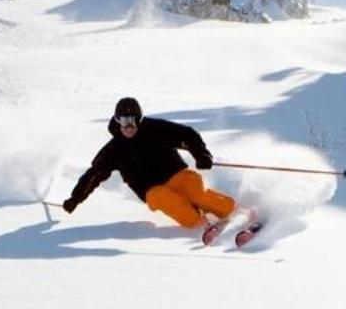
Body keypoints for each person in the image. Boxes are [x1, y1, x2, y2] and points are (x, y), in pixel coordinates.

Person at [61, 96, 240, 239]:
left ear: (139, 119)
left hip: (177, 174)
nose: (129, 126)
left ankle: (234, 211)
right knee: (165, 198)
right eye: (124, 121)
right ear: (117, 121)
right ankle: (200, 225)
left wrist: (201, 155)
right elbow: (94, 174)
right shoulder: (114, 149)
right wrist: (75, 198)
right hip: (151, 189)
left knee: (196, 194)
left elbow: (187, 134)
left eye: (133, 120)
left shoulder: (154, 129)